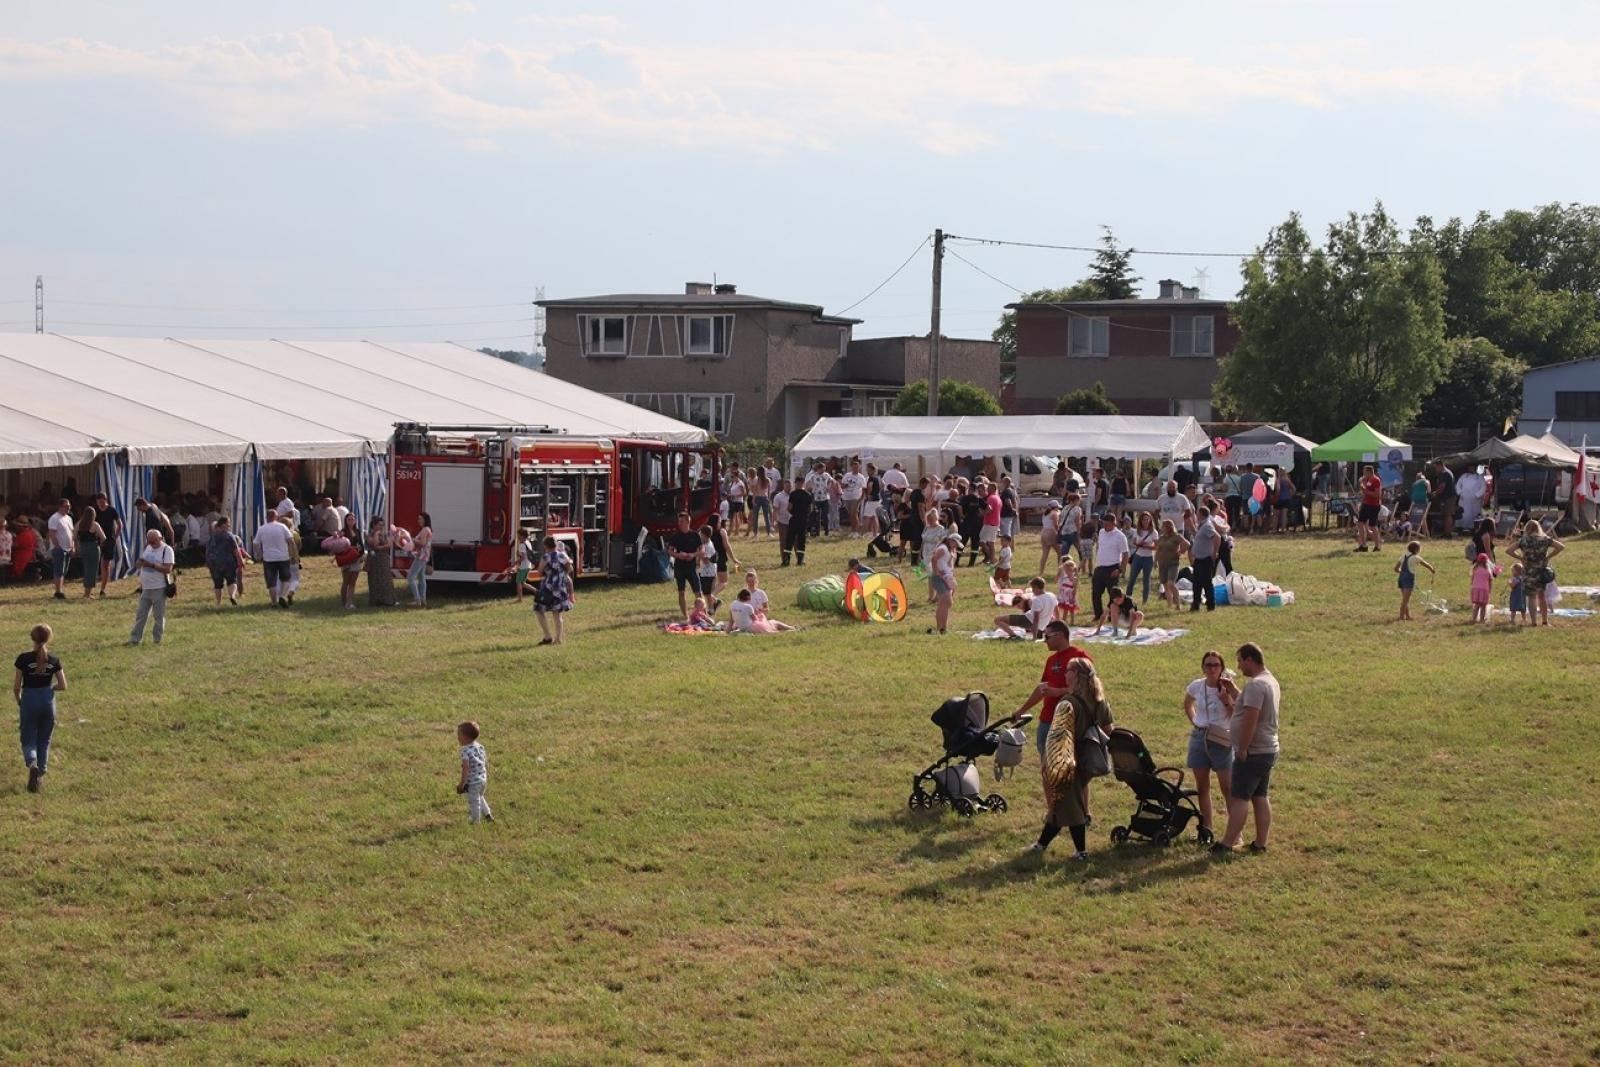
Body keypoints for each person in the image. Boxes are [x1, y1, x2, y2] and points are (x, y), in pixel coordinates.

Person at [1024, 652, 1112, 861]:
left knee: (1070, 807)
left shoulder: (1066, 702)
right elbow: (1109, 731)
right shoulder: (1099, 701)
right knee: (1060, 804)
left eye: (1069, 670)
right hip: (1088, 760)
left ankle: (1081, 852)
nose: (1065, 674)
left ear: (1077, 675)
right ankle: (1041, 845)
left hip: (1067, 760)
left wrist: (1051, 764)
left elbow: (1058, 737)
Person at [1214, 643, 1279, 854]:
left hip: (1253, 751)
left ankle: (1226, 844)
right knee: (1260, 796)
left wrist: (1242, 747)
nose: (1239, 667)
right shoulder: (1269, 681)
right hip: (1268, 749)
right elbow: (1249, 706)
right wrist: (1234, 691)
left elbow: (1252, 717)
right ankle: (1260, 843)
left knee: (1239, 797)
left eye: (1240, 661)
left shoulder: (1256, 686)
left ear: (1250, 660)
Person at [1183, 650, 1235, 840]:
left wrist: (1225, 701)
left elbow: (1237, 715)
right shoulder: (1197, 686)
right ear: (1203, 668)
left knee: (1227, 788)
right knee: (1202, 787)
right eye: (1208, 665)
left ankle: (1235, 833)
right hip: (1200, 737)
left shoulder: (1228, 687)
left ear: (1222, 667)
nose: (1212, 668)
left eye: (1216, 665)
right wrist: (1195, 721)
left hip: (1221, 739)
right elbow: (1187, 704)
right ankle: (1207, 830)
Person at [15, 623, 67, 793]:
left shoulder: (23, 659)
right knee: (44, 740)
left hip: (29, 699)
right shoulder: (53, 660)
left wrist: (19, 699)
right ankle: (39, 776)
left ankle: (32, 763)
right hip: (47, 701)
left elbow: (16, 687)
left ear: (32, 638)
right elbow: (62, 685)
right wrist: (50, 688)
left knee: (28, 738)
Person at [1506, 521, 1564, 626]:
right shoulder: (1545, 539)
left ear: (1527, 529)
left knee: (1532, 597)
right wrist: (1548, 557)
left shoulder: (1523, 540)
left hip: (1529, 572)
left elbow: (1509, 550)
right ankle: (1545, 621)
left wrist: (1520, 557)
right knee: (1542, 597)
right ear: (1538, 528)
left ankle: (1533, 622)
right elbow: (1560, 547)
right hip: (1542, 572)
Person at [127, 528, 175, 646]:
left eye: (154, 541)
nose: (151, 544)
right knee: (141, 615)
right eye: (149, 541)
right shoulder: (148, 548)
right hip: (146, 588)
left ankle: (157, 640)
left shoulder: (167, 550)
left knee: (158, 616)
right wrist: (139, 563)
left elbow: (168, 569)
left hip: (159, 587)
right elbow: (141, 563)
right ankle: (135, 639)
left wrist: (152, 565)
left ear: (160, 538)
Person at [531, 535, 574, 645]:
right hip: (560, 588)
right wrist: (561, 575)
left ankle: (547, 636)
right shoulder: (563, 555)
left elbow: (539, 572)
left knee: (539, 610)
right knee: (557, 615)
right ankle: (558, 639)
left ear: (545, 546)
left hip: (548, 588)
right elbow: (570, 569)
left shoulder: (546, 557)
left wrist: (550, 574)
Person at [1088, 511, 1129, 623]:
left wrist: (1120, 570)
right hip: (1100, 567)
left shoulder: (1120, 536)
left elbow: (1125, 554)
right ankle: (1098, 615)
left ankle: (1113, 615)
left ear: (1113, 523)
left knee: (1113, 595)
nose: (1104, 526)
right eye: (1103, 523)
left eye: (1107, 523)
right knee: (1095, 592)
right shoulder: (1101, 532)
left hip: (1113, 568)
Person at [455, 720, 493, 824]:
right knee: (480, 797)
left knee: (474, 802)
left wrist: (462, 783)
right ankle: (488, 814)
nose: (457, 737)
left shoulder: (465, 750)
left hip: (473, 782)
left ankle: (475, 821)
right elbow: (485, 762)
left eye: (459, 735)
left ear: (465, 737)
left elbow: (466, 768)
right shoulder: (480, 746)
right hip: (483, 779)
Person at [252, 512, 293, 607]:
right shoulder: (282, 527)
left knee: (271, 582)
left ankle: (274, 602)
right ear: (276, 517)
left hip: (269, 558)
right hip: (283, 557)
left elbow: (256, 543)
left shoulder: (262, 528)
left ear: (267, 517)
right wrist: (291, 552)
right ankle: (282, 596)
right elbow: (290, 540)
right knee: (286, 579)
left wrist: (259, 554)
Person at [206, 517, 246, 606]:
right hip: (228, 562)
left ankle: (218, 603)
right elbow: (236, 550)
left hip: (214, 563)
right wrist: (240, 561)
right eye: (228, 523)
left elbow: (208, 550)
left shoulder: (212, 537)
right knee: (232, 581)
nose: (229, 525)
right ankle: (232, 596)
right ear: (223, 524)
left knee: (217, 584)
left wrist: (208, 562)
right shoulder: (229, 535)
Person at [1189, 507, 1221, 612]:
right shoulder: (1202, 525)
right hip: (1198, 558)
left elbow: (1217, 537)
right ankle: (1195, 604)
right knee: (1196, 584)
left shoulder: (1207, 526)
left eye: (1197, 513)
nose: (1196, 515)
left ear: (1201, 514)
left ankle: (1211, 604)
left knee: (1207, 583)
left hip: (1205, 559)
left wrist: (1214, 552)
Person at [1395, 540, 1436, 621]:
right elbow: (1426, 565)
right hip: (1408, 580)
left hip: (1401, 578)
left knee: (1404, 599)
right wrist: (1432, 570)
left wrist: (1402, 572)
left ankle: (1407, 616)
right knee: (1405, 600)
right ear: (1417, 549)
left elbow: (1396, 569)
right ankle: (1401, 617)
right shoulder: (1416, 557)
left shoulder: (1404, 556)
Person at [1155, 518, 1190, 610]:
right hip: (1162, 563)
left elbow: (1187, 544)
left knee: (1171, 583)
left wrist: (1180, 551)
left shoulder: (1176, 536)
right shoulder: (1162, 537)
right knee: (1165, 585)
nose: (1162, 528)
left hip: (1173, 563)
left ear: (1168, 527)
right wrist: (1155, 561)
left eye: (1163, 526)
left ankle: (1178, 604)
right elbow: (1158, 549)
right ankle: (1169, 605)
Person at [91, 492, 121, 597]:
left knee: (106, 564)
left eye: (102, 501)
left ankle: (103, 588)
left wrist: (115, 537)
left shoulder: (112, 510)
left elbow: (120, 524)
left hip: (109, 540)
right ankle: (91, 586)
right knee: (97, 562)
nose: (100, 504)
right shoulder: (96, 511)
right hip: (97, 539)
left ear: (106, 500)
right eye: (99, 502)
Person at [729, 587, 796, 633]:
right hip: (751, 628)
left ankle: (791, 628)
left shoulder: (732, 604)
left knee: (772, 624)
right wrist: (760, 615)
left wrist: (728, 630)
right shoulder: (748, 607)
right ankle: (792, 629)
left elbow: (731, 620)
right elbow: (755, 620)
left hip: (741, 627)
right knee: (774, 622)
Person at [929, 532, 958, 635]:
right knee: (947, 602)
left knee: (944, 603)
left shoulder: (948, 549)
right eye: (955, 543)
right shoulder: (943, 548)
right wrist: (936, 571)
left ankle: (941, 628)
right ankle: (942, 628)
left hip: (946, 578)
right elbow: (933, 559)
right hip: (939, 578)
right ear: (950, 540)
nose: (956, 546)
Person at [708, 515, 741, 606]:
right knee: (724, 581)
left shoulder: (707, 532)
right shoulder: (722, 532)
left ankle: (710, 599)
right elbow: (727, 546)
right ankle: (711, 596)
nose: (721, 523)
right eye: (719, 522)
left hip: (708, 560)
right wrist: (734, 559)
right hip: (720, 559)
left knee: (713, 582)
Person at [335, 512, 366, 610]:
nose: (351, 521)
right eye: (349, 519)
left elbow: (361, 544)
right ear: (346, 521)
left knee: (353, 581)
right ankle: (344, 602)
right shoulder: (343, 532)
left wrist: (361, 555)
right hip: (347, 559)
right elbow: (339, 545)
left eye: (353, 519)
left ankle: (350, 602)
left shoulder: (357, 531)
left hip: (356, 558)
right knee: (346, 581)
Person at [75, 506, 105, 600]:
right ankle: (87, 594)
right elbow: (103, 537)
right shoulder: (94, 524)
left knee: (87, 569)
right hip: (93, 548)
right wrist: (99, 544)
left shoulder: (79, 524)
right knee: (92, 571)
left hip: (83, 548)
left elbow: (74, 536)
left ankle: (87, 592)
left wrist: (77, 546)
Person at [365, 518, 398, 607]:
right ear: (374, 525)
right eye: (379, 525)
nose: (381, 527)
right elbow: (374, 544)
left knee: (386, 579)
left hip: (383, 559)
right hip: (373, 560)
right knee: (374, 580)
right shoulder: (369, 535)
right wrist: (376, 534)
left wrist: (380, 547)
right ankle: (376, 601)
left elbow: (389, 545)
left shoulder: (384, 534)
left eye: (382, 525)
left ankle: (388, 600)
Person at [1127, 511, 1157, 605]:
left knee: (1146, 580)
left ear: (1150, 520)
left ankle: (1145, 601)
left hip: (1148, 558)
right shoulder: (1137, 531)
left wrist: (1148, 546)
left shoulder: (1153, 532)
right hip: (1138, 556)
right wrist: (1139, 544)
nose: (1146, 521)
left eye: (1148, 519)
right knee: (1132, 578)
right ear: (1141, 520)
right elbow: (1134, 542)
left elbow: (1157, 547)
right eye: (1144, 519)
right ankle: (1128, 599)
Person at [782, 481, 812, 567]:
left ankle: (786, 561)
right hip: (803, 520)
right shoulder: (808, 495)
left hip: (794, 518)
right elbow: (810, 508)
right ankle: (800, 560)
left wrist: (793, 513)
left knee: (790, 540)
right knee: (801, 540)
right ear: (803, 483)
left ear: (796, 483)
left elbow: (789, 507)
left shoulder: (793, 494)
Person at [406, 512, 433, 608]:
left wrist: (413, 539)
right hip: (424, 556)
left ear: (425, 519)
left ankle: (417, 600)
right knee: (421, 577)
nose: (418, 521)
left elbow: (423, 543)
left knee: (411, 577)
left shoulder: (425, 530)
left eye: (420, 519)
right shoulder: (427, 529)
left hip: (421, 556)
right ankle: (423, 599)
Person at [1428, 459, 1458, 538]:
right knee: (1445, 514)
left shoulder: (1445, 474)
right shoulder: (1444, 473)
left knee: (1448, 514)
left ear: (1440, 465)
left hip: (1449, 497)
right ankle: (1446, 532)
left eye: (1436, 467)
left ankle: (1448, 533)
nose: (1435, 469)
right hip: (1446, 497)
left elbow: (1442, 487)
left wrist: (1434, 494)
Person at [1468, 552, 1499, 624]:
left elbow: (1472, 579)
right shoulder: (1488, 570)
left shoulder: (1475, 569)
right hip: (1484, 589)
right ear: (1486, 561)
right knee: (1483, 606)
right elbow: (1490, 581)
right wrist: (1490, 589)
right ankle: (1482, 619)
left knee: (1476, 605)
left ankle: (1474, 618)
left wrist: (1472, 586)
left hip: (1475, 588)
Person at [839, 459, 866, 535]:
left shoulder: (861, 477)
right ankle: (853, 529)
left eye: (857, 467)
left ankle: (856, 531)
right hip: (847, 497)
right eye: (854, 467)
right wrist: (844, 486)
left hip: (856, 497)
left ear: (859, 468)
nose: (855, 469)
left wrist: (861, 498)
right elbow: (842, 485)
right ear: (851, 467)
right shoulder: (847, 475)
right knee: (850, 514)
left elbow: (864, 488)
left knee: (854, 514)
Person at [979, 479, 1002, 564]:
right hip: (996, 522)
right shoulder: (998, 498)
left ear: (992, 488)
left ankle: (991, 557)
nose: (987, 490)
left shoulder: (991, 498)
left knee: (982, 541)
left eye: (988, 488)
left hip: (989, 522)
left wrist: (982, 513)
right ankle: (992, 559)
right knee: (991, 542)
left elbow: (989, 509)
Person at [747, 466, 772, 540]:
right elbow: (769, 491)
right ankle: (769, 532)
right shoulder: (767, 480)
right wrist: (769, 499)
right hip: (765, 498)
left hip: (758, 498)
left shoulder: (757, 480)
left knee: (755, 517)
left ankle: (756, 533)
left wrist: (753, 499)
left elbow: (754, 491)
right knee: (766, 516)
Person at [1055, 557, 1079, 626]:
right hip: (1064, 595)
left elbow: (1075, 588)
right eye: (1065, 570)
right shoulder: (1065, 577)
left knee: (1071, 609)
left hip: (1070, 595)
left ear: (1072, 570)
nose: (1066, 571)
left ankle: (1072, 622)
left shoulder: (1074, 578)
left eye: (1067, 570)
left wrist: (1073, 597)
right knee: (1065, 608)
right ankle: (1064, 621)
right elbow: (1062, 585)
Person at [772, 478, 791, 551]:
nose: (788, 488)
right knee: (783, 541)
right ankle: (784, 558)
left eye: (790, 486)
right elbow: (775, 510)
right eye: (787, 486)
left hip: (793, 521)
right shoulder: (778, 496)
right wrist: (774, 521)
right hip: (782, 521)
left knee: (795, 540)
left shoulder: (794, 495)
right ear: (784, 486)